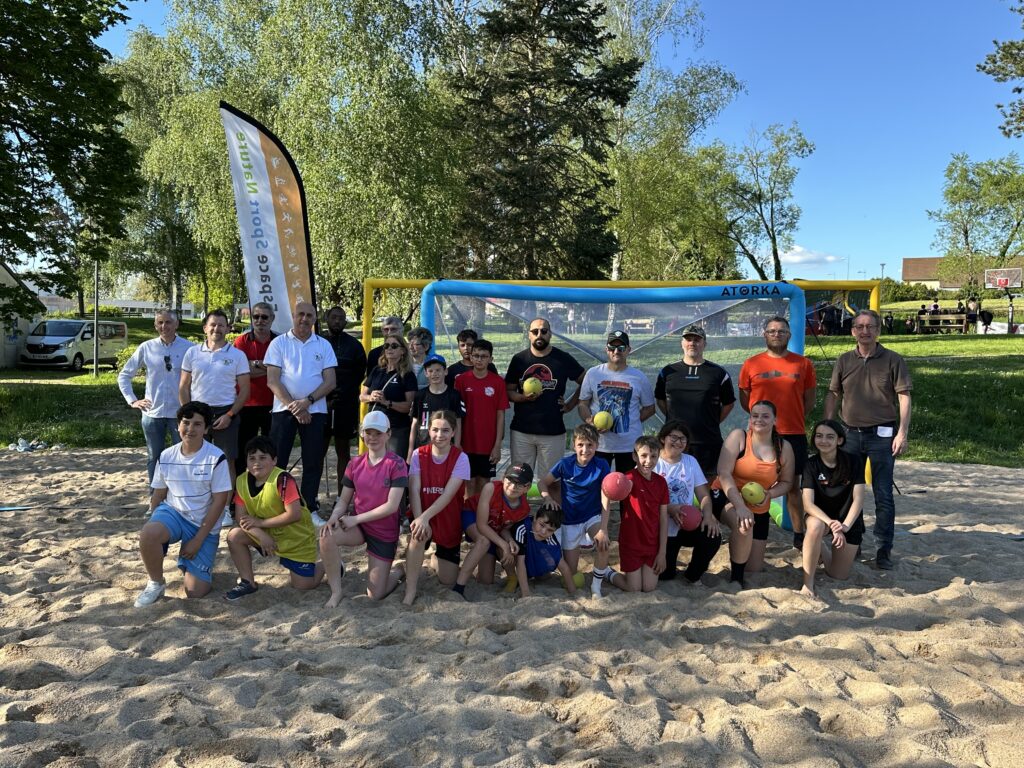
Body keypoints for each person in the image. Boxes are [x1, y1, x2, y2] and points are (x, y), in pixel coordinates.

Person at [824, 309, 912, 571]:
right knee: (850, 492)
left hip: (882, 435)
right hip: (850, 434)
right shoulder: (844, 360)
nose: (865, 331)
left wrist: (902, 432)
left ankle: (884, 548)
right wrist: (828, 426)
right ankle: (855, 541)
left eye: (870, 326)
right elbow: (833, 393)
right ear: (853, 331)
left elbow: (904, 397)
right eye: (860, 327)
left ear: (878, 330)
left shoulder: (893, 360)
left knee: (883, 494)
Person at [134, 402, 232, 607]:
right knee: (149, 533)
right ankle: (156, 583)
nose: (190, 429)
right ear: (178, 425)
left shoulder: (216, 457)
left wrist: (197, 540)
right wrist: (156, 532)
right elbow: (158, 495)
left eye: (197, 424)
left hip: (203, 523)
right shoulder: (166, 455)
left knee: (195, 592)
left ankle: (189, 563)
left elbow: (219, 502)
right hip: (174, 514)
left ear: (206, 429)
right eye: (186, 423)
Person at [738, 316, 816, 546]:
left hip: (793, 432)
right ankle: (751, 529)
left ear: (789, 335)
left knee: (792, 486)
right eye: (772, 331)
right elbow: (745, 400)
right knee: (754, 482)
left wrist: (790, 416)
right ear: (764, 334)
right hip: (761, 434)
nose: (776, 334)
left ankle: (799, 534)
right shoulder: (751, 363)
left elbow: (809, 401)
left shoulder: (803, 364)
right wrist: (764, 422)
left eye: (782, 331)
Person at [319, 411, 407, 606]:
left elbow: (391, 506)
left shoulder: (397, 464)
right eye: (368, 433)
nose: (372, 437)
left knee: (375, 595)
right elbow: (343, 501)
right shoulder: (355, 463)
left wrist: (355, 519)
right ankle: (336, 592)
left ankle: (400, 570)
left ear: (388, 434)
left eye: (378, 433)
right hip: (359, 527)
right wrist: (334, 517)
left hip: (383, 531)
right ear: (362, 434)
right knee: (326, 535)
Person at [224, 436, 325, 600]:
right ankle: (247, 582)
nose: (257, 463)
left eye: (262, 457)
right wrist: (261, 534)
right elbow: (241, 517)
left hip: (295, 538)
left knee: (303, 585)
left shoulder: (283, 479)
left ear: (274, 460)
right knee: (234, 536)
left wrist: (260, 523)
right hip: (267, 533)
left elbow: (294, 514)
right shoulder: (241, 481)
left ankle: (328, 564)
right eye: (252, 458)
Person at [264, 301, 338, 516]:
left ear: (315, 319)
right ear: (293, 316)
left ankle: (308, 509)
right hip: (283, 411)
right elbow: (272, 380)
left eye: (309, 315)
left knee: (313, 461)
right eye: (300, 314)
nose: (304, 319)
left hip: (315, 411)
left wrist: (307, 402)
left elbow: (330, 381)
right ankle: (276, 506)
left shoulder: (323, 345)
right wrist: (295, 407)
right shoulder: (278, 343)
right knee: (278, 461)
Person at [713, 400, 795, 586]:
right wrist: (740, 506)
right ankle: (736, 579)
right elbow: (724, 473)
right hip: (726, 495)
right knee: (744, 525)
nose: (759, 420)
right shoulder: (739, 437)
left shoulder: (784, 448)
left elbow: (787, 483)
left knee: (754, 568)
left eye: (765, 416)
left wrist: (769, 495)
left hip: (759, 505)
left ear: (775, 420)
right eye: (755, 416)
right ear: (749, 419)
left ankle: (740, 554)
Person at [179, 309, 250, 502]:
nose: (216, 329)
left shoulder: (237, 355)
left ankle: (225, 508)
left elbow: (245, 390)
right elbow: (183, 387)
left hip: (225, 413)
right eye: (212, 324)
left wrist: (230, 415)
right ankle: (198, 503)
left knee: (226, 463)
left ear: (227, 328)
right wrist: (189, 416)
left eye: (221, 325)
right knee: (196, 459)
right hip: (197, 413)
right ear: (205, 328)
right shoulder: (192, 353)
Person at [117, 309, 194, 485]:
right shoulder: (146, 347)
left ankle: (181, 494)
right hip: (152, 412)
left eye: (168, 322)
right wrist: (132, 400)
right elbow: (124, 375)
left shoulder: (189, 348)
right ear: (155, 325)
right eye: (160, 322)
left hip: (180, 412)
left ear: (176, 324)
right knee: (154, 457)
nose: (164, 326)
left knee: (183, 456)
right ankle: (155, 495)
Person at [504, 317, 586, 483]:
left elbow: (586, 381)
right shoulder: (519, 359)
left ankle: (548, 502)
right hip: (522, 432)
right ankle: (521, 502)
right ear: (529, 335)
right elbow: (508, 391)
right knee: (518, 480)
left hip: (552, 432)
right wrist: (523, 397)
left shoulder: (562, 358)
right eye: (535, 331)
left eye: (544, 331)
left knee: (551, 482)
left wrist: (570, 404)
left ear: (550, 334)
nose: (539, 335)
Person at [402, 409, 470, 605]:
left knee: (447, 580)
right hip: (422, 511)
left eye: (445, 430)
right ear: (429, 430)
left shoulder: (461, 458)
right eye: (435, 430)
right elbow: (414, 490)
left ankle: (434, 557)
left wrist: (424, 518)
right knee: (417, 535)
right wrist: (419, 519)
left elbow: (448, 495)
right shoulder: (418, 454)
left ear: (453, 432)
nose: (440, 435)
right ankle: (410, 590)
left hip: (448, 516)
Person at [536, 423, 612, 597]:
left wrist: (603, 529)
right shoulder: (565, 464)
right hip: (569, 520)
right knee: (570, 572)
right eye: (581, 445)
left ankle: (596, 587)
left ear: (597, 445)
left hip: (592, 516)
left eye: (590, 445)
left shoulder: (602, 465)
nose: (585, 449)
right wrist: (548, 498)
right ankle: (605, 571)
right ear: (573, 445)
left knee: (603, 544)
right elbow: (542, 483)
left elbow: (606, 498)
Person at [654, 323, 736, 479]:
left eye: (697, 340)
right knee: (672, 484)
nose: (692, 343)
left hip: (707, 442)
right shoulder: (667, 372)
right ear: (682, 343)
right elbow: (660, 400)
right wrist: (673, 419)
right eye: (688, 339)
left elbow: (729, 404)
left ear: (704, 344)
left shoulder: (718, 373)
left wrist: (711, 421)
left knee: (706, 486)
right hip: (674, 442)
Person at [799, 420, 866, 597]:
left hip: (847, 520)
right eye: (819, 436)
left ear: (839, 440)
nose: (823, 441)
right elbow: (808, 504)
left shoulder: (854, 461)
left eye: (830, 437)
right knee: (815, 527)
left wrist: (844, 527)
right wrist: (831, 523)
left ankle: (818, 546)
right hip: (821, 518)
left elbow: (859, 499)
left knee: (838, 575)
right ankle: (808, 583)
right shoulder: (810, 465)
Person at [452, 462, 534, 597]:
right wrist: (503, 544)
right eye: (510, 480)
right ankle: (459, 587)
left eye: (520, 484)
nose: (513, 486)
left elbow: (504, 528)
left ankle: (507, 574)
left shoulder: (524, 509)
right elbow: (481, 525)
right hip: (472, 516)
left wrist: (509, 540)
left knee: (485, 580)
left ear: (528, 487)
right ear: (503, 478)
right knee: (483, 541)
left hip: (493, 529)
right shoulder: (491, 488)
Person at [579, 330, 656, 473]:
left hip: (629, 445)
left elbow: (650, 408)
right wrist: (590, 421)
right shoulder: (593, 373)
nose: (616, 351)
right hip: (599, 443)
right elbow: (583, 404)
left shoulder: (639, 377)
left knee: (627, 484)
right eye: (612, 347)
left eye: (621, 348)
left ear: (628, 350)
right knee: (598, 483)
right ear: (606, 349)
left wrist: (629, 420)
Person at [600, 436, 669, 594]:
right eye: (643, 455)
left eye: (653, 456)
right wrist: (603, 528)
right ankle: (608, 573)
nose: (648, 461)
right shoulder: (628, 479)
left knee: (649, 587)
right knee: (634, 588)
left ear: (659, 457)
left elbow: (664, 518)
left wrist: (662, 553)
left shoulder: (661, 482)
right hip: (631, 543)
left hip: (652, 543)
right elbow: (606, 490)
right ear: (634, 456)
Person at [655, 421, 720, 583]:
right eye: (673, 437)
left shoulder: (690, 461)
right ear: (663, 438)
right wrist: (671, 508)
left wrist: (708, 516)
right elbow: (645, 499)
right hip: (660, 527)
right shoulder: (652, 460)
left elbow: (704, 495)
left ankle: (692, 575)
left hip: (686, 524)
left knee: (712, 534)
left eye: (682, 439)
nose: (678, 442)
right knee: (665, 575)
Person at [455, 339, 509, 496]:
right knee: (469, 484)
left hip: (488, 445)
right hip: (467, 443)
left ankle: (482, 512)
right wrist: (457, 443)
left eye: (484, 356)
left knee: (484, 484)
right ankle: (468, 513)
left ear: (491, 359)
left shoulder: (498, 382)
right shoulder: (461, 380)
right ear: (471, 357)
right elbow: (457, 415)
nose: (479, 359)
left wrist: (497, 445)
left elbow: (500, 415)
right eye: (476, 356)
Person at [323, 305, 367, 488]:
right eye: (334, 317)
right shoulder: (318, 342)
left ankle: (342, 496)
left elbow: (360, 373)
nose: (337, 321)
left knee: (343, 452)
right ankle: (311, 496)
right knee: (317, 451)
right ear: (327, 319)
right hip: (322, 403)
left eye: (341, 318)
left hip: (346, 405)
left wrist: (345, 391)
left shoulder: (354, 346)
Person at [232, 302, 277, 477]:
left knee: (270, 451)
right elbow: (240, 371)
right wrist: (269, 367)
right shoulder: (241, 341)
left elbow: (283, 371)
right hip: (246, 404)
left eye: (264, 317)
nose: (260, 320)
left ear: (272, 319)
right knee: (243, 451)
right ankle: (240, 489)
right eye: (256, 317)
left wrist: (254, 365)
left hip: (272, 404)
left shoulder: (279, 342)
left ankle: (268, 487)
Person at [360, 332, 417, 455]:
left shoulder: (408, 375)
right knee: (375, 463)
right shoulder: (377, 370)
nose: (389, 349)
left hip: (396, 428)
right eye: (386, 346)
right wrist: (371, 397)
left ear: (403, 351)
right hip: (375, 428)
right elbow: (362, 396)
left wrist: (387, 402)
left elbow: (409, 406)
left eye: (394, 346)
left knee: (394, 463)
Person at [509, 506, 577, 598]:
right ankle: (512, 579)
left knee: (545, 573)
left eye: (550, 530)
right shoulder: (522, 529)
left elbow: (564, 568)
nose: (544, 532)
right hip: (511, 556)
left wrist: (573, 592)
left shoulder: (551, 540)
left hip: (529, 557)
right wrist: (526, 593)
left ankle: (536, 574)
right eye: (542, 525)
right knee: (511, 553)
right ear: (535, 518)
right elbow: (519, 562)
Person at [407, 354, 463, 461]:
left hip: (447, 447)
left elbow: (458, 423)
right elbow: (414, 423)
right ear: (425, 373)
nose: (434, 374)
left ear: (445, 371)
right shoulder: (420, 395)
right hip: (423, 447)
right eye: (430, 371)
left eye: (438, 370)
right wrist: (410, 451)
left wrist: (456, 446)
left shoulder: (454, 395)